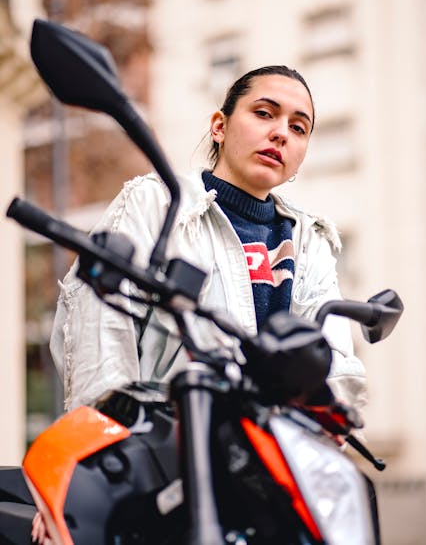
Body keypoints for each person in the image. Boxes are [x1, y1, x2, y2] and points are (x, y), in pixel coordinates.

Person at [49, 64, 367, 413]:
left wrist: (329, 421)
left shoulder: (310, 240)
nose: (281, 134)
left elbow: (334, 361)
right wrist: (117, 441)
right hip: (164, 451)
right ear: (220, 126)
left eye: (298, 128)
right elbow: (100, 332)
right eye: (264, 113)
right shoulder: (157, 203)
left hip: (274, 456)